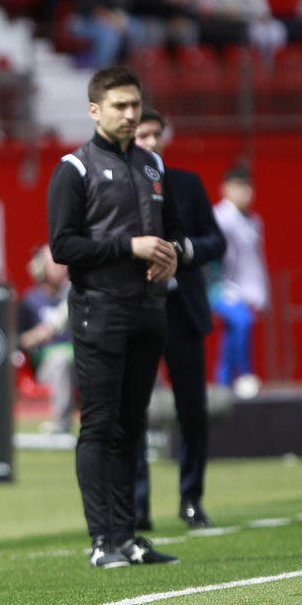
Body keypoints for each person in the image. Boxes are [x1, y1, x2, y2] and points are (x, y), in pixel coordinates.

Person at [46, 66, 185, 569]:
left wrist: (175, 254)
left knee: (132, 426)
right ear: (94, 110)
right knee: (100, 426)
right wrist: (130, 247)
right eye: (120, 106)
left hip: (149, 311)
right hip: (99, 311)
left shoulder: (152, 166)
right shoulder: (74, 168)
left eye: (135, 105)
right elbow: (63, 246)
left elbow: (177, 234)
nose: (130, 114)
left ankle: (128, 537)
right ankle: (101, 539)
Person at [132, 111, 224, 530]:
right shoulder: (121, 184)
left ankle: (191, 498)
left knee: (193, 410)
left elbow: (214, 240)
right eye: (143, 134)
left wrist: (183, 249)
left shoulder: (186, 183)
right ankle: (137, 506)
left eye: (156, 133)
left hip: (182, 310)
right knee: (132, 409)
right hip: (137, 309)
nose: (151, 140)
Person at [212, 166, 268, 394]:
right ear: (225, 189)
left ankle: (223, 384)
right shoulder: (218, 216)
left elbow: (256, 261)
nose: (244, 193)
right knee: (243, 321)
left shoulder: (254, 221)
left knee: (233, 332)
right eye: (238, 187)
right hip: (218, 287)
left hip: (244, 289)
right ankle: (244, 375)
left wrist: (262, 293)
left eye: (248, 187)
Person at [17, 245, 74, 434]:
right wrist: (39, 335)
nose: (64, 268)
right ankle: (61, 422)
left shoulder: (75, 296)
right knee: (61, 361)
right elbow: (19, 341)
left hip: (80, 360)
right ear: (40, 269)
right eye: (57, 264)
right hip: (47, 365)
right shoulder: (29, 302)